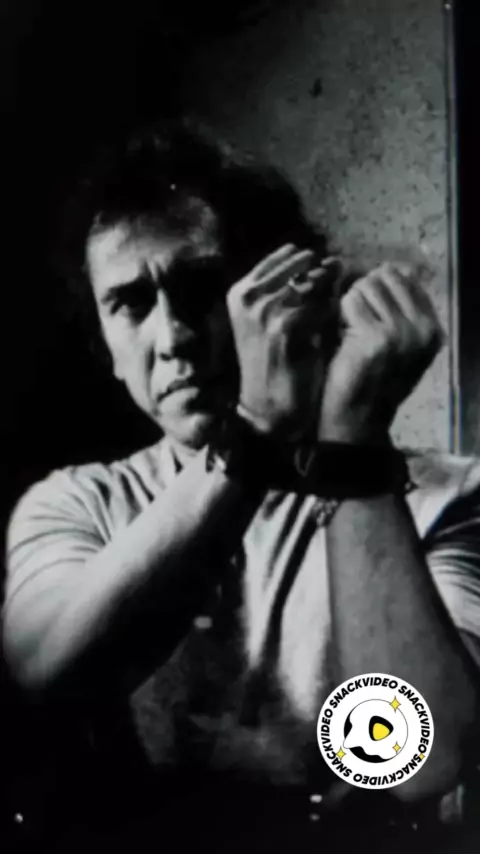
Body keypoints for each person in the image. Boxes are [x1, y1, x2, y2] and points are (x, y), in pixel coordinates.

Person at [3, 121, 480, 852]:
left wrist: (352, 442)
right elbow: (49, 675)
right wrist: (254, 435)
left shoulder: (444, 495)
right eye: (130, 303)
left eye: (201, 288)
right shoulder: (79, 502)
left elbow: (422, 759)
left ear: (293, 295)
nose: (173, 338)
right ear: (108, 349)